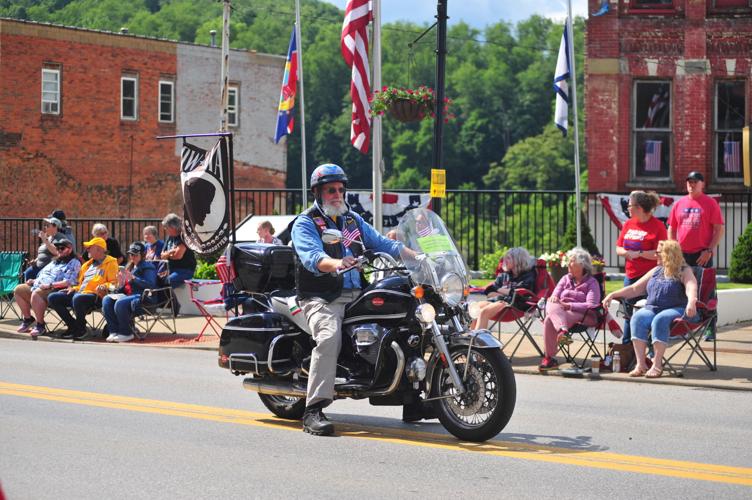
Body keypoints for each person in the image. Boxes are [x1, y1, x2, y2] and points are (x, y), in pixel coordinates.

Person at [291, 163, 405, 436]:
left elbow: (385, 244)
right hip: (323, 296)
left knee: (404, 321)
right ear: (317, 193)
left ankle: (413, 400)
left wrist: (422, 257)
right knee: (329, 336)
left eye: (341, 189)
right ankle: (313, 409)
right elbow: (314, 258)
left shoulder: (352, 220)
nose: (337, 194)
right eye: (331, 190)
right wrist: (337, 262)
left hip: (357, 293)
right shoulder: (306, 223)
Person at [603, 240, 698, 379]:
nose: (655, 255)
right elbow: (635, 288)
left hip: (676, 309)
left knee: (660, 319)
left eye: (658, 253)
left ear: (669, 254)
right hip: (653, 308)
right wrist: (613, 294)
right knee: (637, 318)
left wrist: (691, 302)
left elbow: (691, 287)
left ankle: (657, 364)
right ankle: (641, 364)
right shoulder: (656, 271)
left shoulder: (684, 270)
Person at [667, 171, 723, 340]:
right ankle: (682, 326)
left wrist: (709, 250)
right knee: (681, 290)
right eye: (689, 182)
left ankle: (709, 327)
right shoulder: (679, 204)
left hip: (702, 254)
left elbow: (719, 229)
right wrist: (673, 249)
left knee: (707, 291)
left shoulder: (710, 203)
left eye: (695, 182)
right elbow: (672, 228)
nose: (691, 185)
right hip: (682, 255)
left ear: (702, 184)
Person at [615, 191, 667, 344]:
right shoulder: (628, 224)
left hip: (650, 277)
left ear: (639, 207)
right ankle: (627, 348)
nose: (628, 209)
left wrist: (640, 253)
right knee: (628, 312)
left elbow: (661, 253)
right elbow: (618, 248)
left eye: (630, 206)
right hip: (630, 276)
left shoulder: (658, 226)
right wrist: (626, 253)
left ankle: (650, 349)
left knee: (647, 313)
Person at [539, 248, 602, 372]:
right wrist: (557, 301)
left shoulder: (592, 282)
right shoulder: (565, 279)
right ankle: (562, 333)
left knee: (549, 319)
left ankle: (550, 357)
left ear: (582, 265)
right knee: (551, 304)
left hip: (584, 316)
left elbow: (592, 305)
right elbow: (555, 295)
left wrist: (570, 306)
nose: (568, 264)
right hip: (562, 313)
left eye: (572, 261)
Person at [47, 237, 119, 340]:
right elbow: (81, 284)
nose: (87, 249)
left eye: (90, 247)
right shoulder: (86, 265)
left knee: (78, 298)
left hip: (97, 295)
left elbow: (114, 283)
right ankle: (73, 326)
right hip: (80, 293)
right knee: (53, 297)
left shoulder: (111, 263)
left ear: (99, 249)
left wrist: (104, 286)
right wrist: (73, 288)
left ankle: (81, 329)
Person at [14, 239, 81, 339]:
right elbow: (43, 274)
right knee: (18, 289)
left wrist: (50, 285)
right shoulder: (54, 261)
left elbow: (68, 282)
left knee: (36, 293)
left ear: (70, 249)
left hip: (56, 289)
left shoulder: (74, 262)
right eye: (57, 248)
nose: (59, 250)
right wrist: (34, 280)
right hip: (39, 285)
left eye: (62, 248)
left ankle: (40, 325)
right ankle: (28, 319)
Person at [102, 242, 158, 343]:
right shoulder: (130, 267)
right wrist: (121, 283)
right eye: (131, 254)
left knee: (120, 302)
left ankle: (126, 333)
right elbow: (124, 288)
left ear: (143, 254)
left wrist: (133, 278)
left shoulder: (148, 267)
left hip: (143, 298)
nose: (133, 257)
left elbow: (150, 285)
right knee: (107, 299)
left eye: (135, 254)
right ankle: (113, 331)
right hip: (129, 295)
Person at [470, 247, 537, 330]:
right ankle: (470, 339)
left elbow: (519, 295)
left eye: (508, 258)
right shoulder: (504, 275)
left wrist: (498, 289)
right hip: (500, 301)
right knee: (475, 309)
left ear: (518, 260)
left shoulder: (528, 276)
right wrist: (505, 293)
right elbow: (489, 291)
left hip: (514, 306)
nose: (504, 261)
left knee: (484, 312)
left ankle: (477, 340)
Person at [159, 213, 196, 289]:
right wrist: (171, 251)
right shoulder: (170, 237)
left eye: (166, 227)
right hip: (171, 269)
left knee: (168, 282)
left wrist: (168, 255)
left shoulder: (183, 237)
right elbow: (162, 255)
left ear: (173, 227)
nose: (165, 229)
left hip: (184, 270)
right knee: (157, 280)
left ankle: (171, 301)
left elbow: (178, 256)